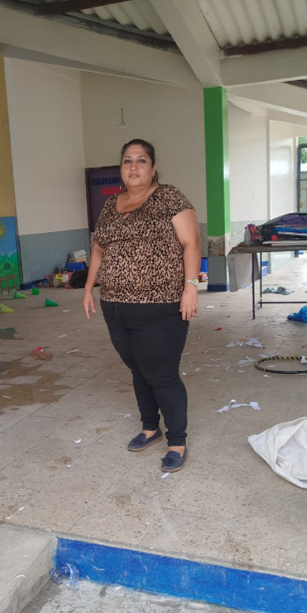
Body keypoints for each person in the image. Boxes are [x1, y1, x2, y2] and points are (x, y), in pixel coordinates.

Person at [82, 139, 201, 473]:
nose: (133, 166)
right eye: (127, 160)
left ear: (153, 167)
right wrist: (89, 288)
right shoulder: (111, 204)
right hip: (115, 305)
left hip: (161, 305)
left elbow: (191, 243)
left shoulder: (170, 197)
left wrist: (191, 287)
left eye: (141, 160)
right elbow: (98, 250)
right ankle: (150, 427)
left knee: (161, 373)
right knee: (138, 369)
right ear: (121, 168)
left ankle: (177, 441)